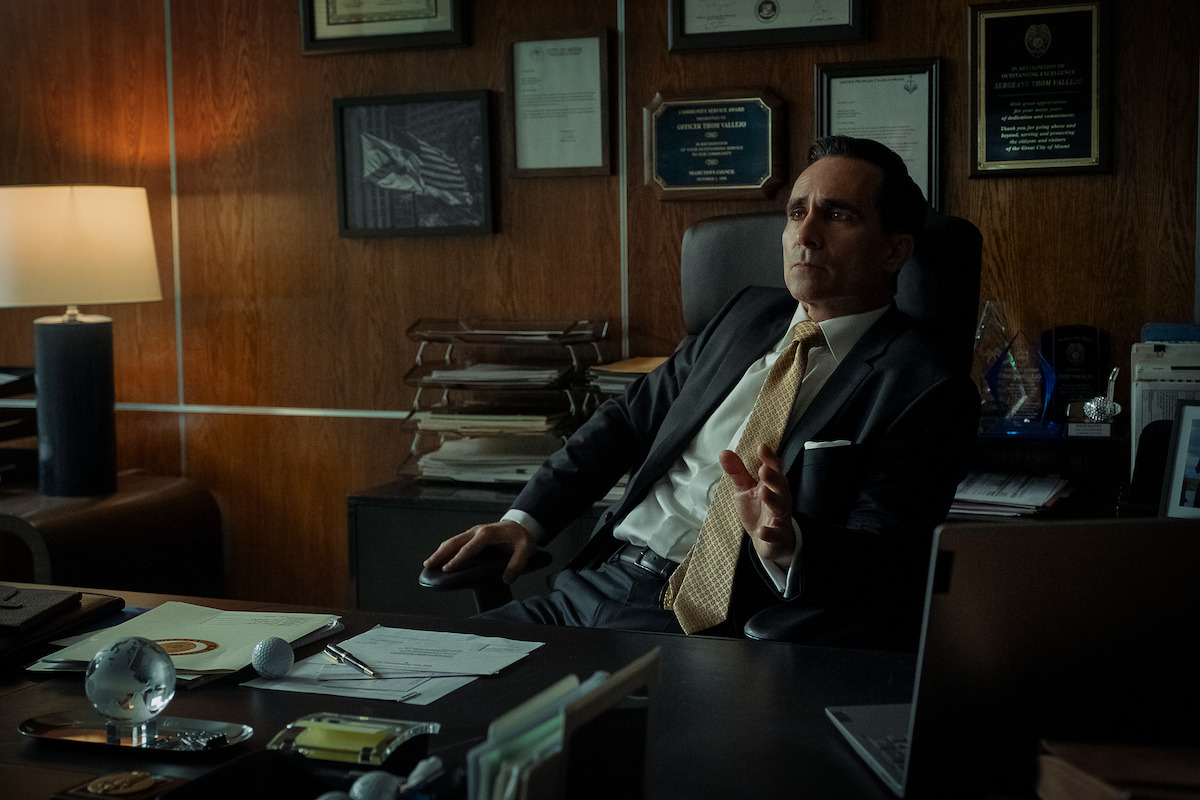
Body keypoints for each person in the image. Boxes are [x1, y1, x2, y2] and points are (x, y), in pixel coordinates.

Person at [424, 136, 979, 646]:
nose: (806, 235)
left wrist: (788, 541)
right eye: (796, 213)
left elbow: (887, 554)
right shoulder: (743, 317)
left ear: (894, 251)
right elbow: (626, 422)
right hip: (592, 585)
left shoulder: (925, 386)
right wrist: (522, 521)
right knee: (427, 677)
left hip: (717, 626)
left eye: (838, 215)